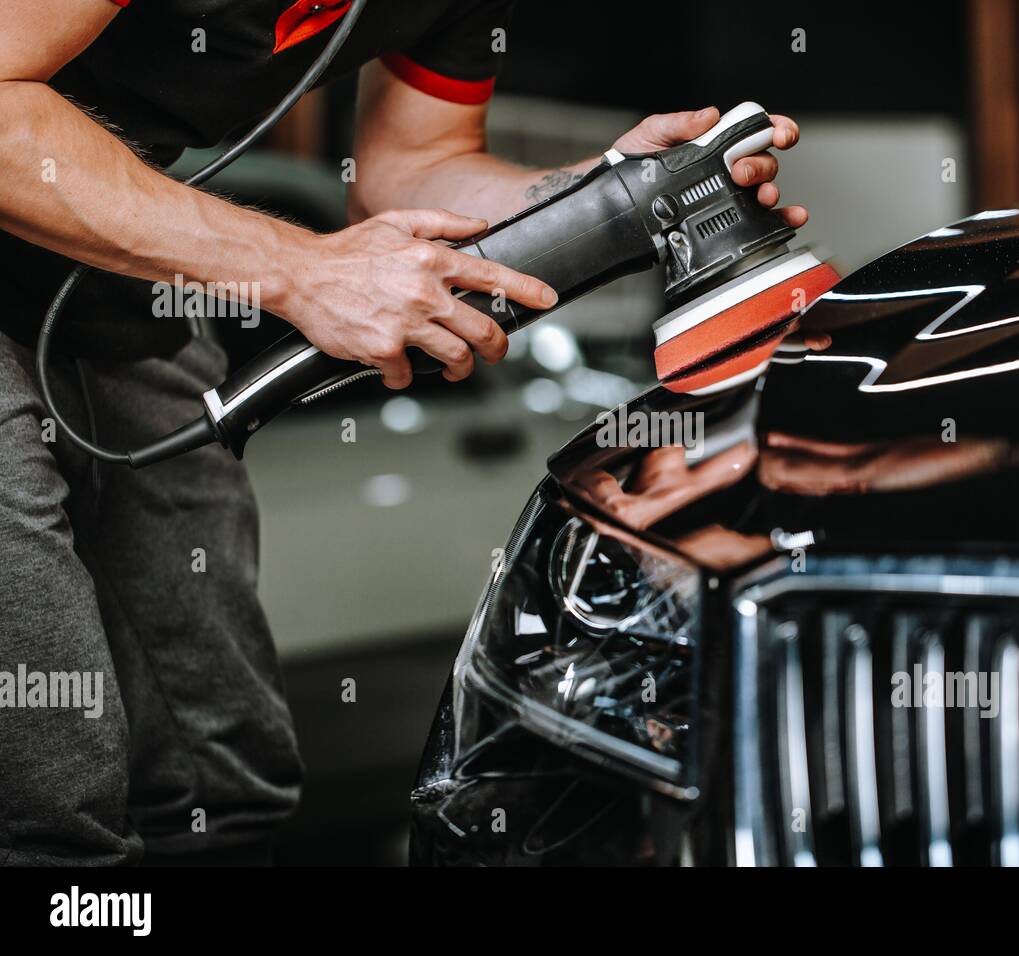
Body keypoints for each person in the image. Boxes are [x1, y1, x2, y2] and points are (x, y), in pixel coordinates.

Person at [0, 0, 805, 865]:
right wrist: (299, 270)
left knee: (219, 772)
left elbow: (411, 167)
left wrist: (614, 196)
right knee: (54, 789)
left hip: (96, 276)